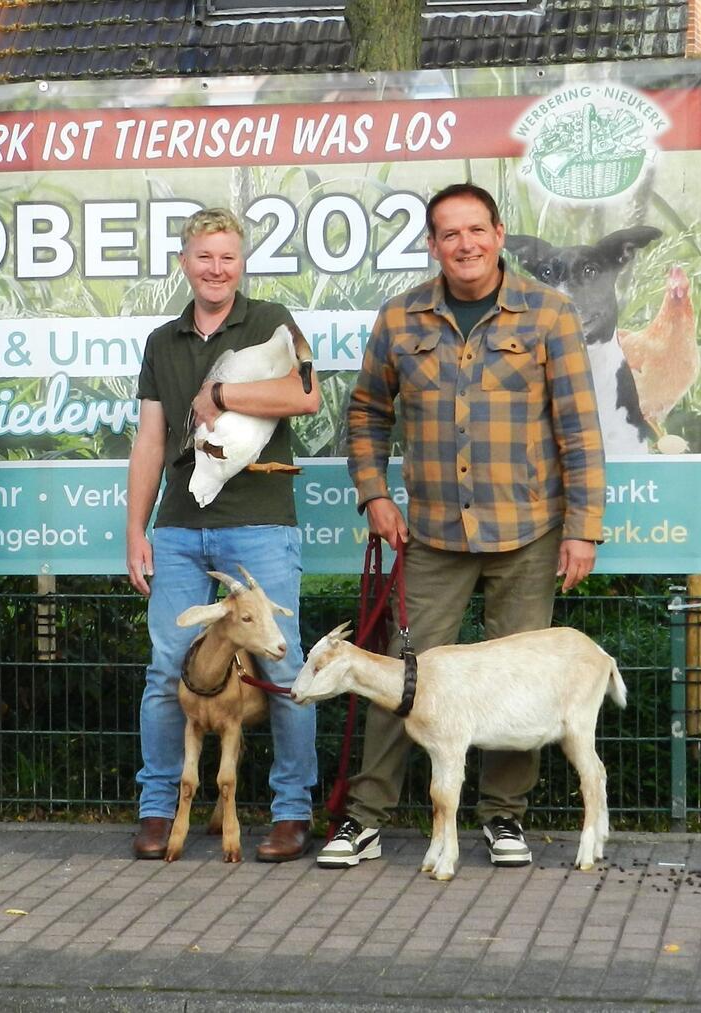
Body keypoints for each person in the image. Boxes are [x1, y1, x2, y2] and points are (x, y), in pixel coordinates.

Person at [320, 182, 607, 870]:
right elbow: (366, 414)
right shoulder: (400, 317)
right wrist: (374, 494)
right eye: (449, 233)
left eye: (476, 229)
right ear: (432, 244)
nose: (465, 244)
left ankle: (503, 818)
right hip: (432, 536)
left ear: (499, 234)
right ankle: (366, 818)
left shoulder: (550, 313)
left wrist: (583, 527)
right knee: (400, 676)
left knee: (517, 679)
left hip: (529, 531)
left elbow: (578, 427)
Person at [126, 207, 322, 863]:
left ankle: (292, 812)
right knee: (167, 670)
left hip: (260, 522)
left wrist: (224, 395)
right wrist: (137, 529)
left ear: (242, 264)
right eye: (205, 257)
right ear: (184, 261)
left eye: (228, 257)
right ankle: (159, 808)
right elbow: (150, 440)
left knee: (284, 668)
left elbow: (306, 396)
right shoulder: (162, 341)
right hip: (180, 528)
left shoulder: (272, 321)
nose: (217, 269)